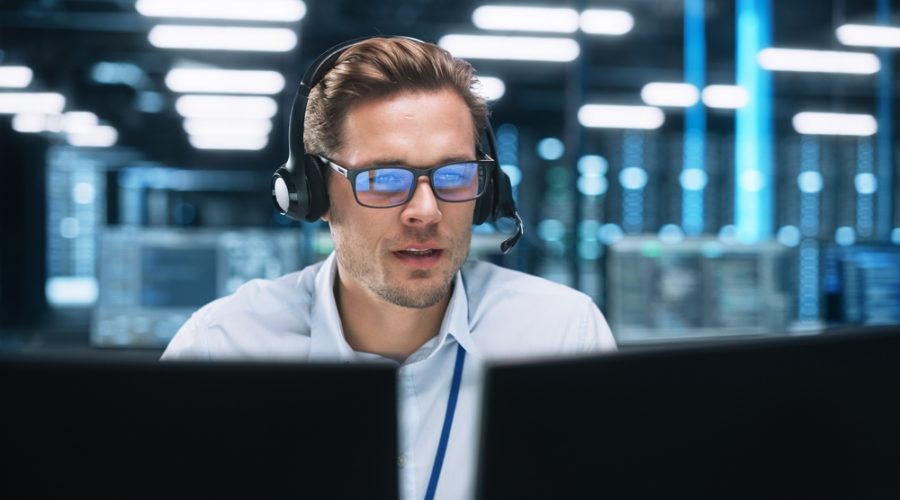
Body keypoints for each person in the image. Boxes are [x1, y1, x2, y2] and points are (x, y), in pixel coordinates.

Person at [162, 36, 617, 500]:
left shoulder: (562, 335)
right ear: (312, 194)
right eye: (383, 179)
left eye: (455, 175)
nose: (426, 211)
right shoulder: (223, 349)